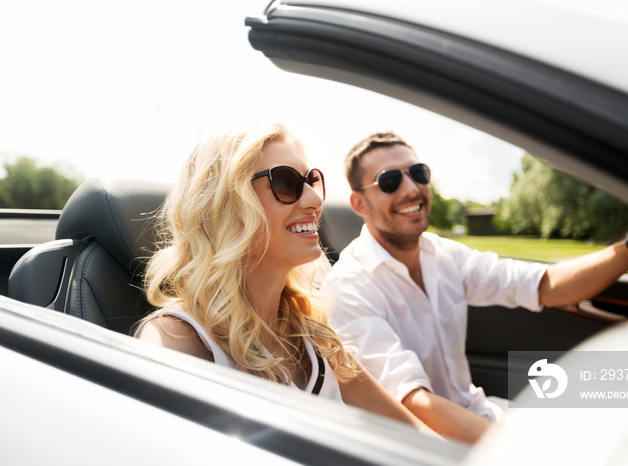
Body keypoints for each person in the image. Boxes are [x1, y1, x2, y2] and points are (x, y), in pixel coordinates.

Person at [324, 131, 628, 444]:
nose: (412, 189)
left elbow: (545, 285)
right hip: (432, 443)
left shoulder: (443, 255)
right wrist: (519, 449)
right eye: (390, 180)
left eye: (418, 173)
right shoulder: (351, 286)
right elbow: (413, 402)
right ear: (359, 202)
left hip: (482, 414)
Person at [134, 123, 436, 435]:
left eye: (311, 180)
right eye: (285, 183)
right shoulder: (175, 340)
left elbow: (415, 437)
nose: (314, 200)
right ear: (226, 205)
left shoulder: (315, 334)